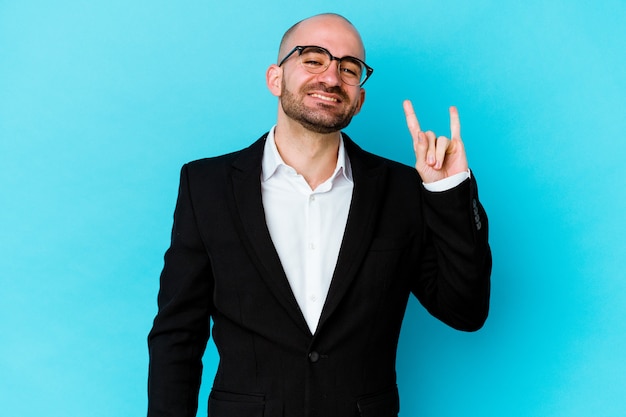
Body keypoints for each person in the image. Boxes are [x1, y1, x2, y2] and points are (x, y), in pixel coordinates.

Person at [147, 12, 491, 417]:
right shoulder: (205, 185)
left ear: (359, 99)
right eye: (313, 59)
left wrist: (446, 190)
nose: (331, 78)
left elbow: (465, 311)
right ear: (275, 79)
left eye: (349, 69)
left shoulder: (401, 191)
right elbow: (177, 336)